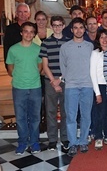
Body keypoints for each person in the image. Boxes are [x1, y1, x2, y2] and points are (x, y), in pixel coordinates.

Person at [60, 17, 97, 156]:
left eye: (81, 27)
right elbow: (62, 65)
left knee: (86, 115)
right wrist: (68, 78)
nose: (78, 30)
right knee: (71, 116)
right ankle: (73, 143)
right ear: (71, 30)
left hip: (87, 85)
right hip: (71, 86)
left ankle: (83, 141)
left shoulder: (90, 46)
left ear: (84, 29)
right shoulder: (65, 47)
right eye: (75, 28)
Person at [6, 22, 42, 155]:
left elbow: (40, 66)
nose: (28, 34)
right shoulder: (13, 49)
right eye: (26, 31)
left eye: (31, 32)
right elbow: (10, 68)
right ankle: (22, 142)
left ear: (34, 34)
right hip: (19, 87)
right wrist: (19, 77)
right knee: (20, 117)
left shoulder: (38, 49)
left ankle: (34, 142)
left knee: (35, 117)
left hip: (35, 87)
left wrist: (32, 75)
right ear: (21, 33)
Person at [39, 16, 70, 151]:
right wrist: (53, 81)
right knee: (50, 111)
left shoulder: (69, 42)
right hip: (50, 81)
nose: (57, 27)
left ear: (63, 26)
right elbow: (45, 65)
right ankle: (52, 139)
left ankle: (64, 138)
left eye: (59, 25)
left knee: (65, 111)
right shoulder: (46, 43)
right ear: (51, 27)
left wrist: (60, 79)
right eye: (55, 25)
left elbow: (70, 64)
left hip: (65, 81)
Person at [90, 29, 107, 150]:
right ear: (98, 39)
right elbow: (92, 73)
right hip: (99, 86)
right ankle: (98, 136)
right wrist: (97, 93)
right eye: (101, 37)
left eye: (106, 37)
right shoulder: (95, 53)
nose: (104, 40)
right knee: (99, 113)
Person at [3, 3, 31, 70]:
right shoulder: (10, 29)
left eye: (25, 12)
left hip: (31, 62)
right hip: (16, 63)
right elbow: (7, 47)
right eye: (20, 12)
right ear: (16, 14)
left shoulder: (33, 27)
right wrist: (8, 66)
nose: (23, 14)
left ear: (29, 14)